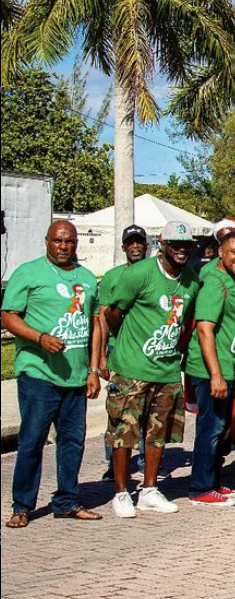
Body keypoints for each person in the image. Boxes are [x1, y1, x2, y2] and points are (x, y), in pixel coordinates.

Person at [3, 221, 104, 528]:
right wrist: (39, 338)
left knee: (73, 441)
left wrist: (93, 369)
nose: (64, 246)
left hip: (75, 376)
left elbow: (95, 324)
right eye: (58, 241)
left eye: (70, 241)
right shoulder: (28, 273)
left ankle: (67, 501)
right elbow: (8, 316)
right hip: (39, 374)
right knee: (32, 440)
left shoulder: (86, 278)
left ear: (76, 244)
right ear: (46, 241)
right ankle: (22, 505)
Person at [103, 220, 200, 517]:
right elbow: (113, 314)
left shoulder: (192, 280)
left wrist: (175, 350)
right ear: (162, 244)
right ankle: (120, 493)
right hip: (132, 369)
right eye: (175, 244)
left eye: (186, 245)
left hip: (167, 371)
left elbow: (187, 321)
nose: (181, 250)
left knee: (158, 434)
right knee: (124, 433)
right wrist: (126, 349)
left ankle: (149, 490)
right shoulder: (139, 274)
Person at [186, 231, 235, 506]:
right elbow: (204, 330)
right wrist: (215, 375)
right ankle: (200, 487)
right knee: (209, 428)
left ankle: (212, 481)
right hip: (211, 369)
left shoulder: (232, 280)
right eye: (234, 252)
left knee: (219, 426)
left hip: (228, 365)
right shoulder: (214, 282)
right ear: (221, 253)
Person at [97, 224, 150, 481]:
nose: (136, 246)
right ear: (123, 248)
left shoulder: (156, 275)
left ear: (147, 246)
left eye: (140, 242)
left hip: (147, 354)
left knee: (146, 411)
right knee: (117, 411)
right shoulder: (112, 277)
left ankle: (143, 460)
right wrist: (101, 357)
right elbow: (104, 318)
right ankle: (114, 463)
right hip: (119, 352)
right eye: (131, 243)